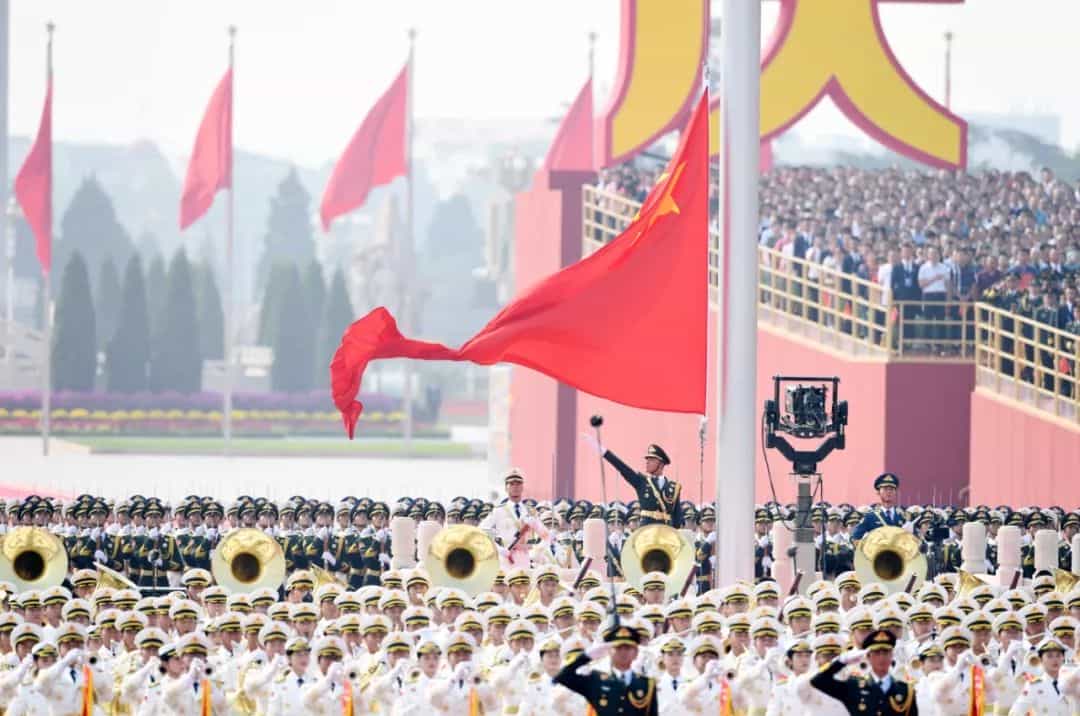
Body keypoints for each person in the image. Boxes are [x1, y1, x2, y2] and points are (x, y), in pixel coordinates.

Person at [554, 620, 658, 715]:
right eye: (618, 648)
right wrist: (586, 657)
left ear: (636, 653)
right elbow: (562, 677)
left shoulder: (647, 684)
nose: (623, 652)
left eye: (627, 648)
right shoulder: (595, 680)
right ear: (609, 651)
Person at [582, 434, 683, 528]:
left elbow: (677, 520)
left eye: (652, 460)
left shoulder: (674, 488)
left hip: (666, 533)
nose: (647, 462)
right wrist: (600, 449)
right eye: (647, 459)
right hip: (646, 533)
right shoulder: (642, 481)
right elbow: (621, 466)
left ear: (661, 464)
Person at [810, 629, 918, 714]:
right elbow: (818, 681)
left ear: (892, 656)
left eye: (886, 652)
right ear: (868, 657)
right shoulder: (853, 686)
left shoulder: (906, 690)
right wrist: (841, 661)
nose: (882, 657)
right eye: (876, 653)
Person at [851, 473, 906, 541]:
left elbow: (915, 541)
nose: (889, 492)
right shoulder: (870, 517)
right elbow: (854, 538)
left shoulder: (903, 516)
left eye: (891, 489)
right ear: (878, 492)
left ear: (895, 492)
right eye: (885, 489)